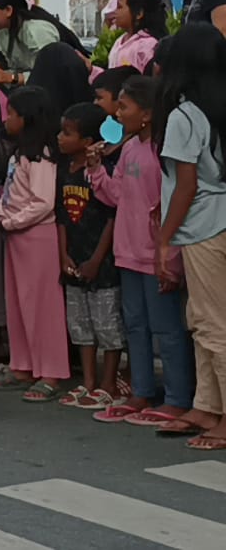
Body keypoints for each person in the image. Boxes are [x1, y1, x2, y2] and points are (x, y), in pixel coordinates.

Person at [88, 75, 197, 427]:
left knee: (166, 328)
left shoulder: (162, 151)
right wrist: (96, 171)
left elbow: (172, 204)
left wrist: (171, 257)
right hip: (127, 250)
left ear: (147, 113)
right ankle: (142, 391)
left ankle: (179, 398)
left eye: (124, 107)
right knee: (135, 324)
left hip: (156, 255)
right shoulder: (130, 148)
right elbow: (118, 195)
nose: (117, 114)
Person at [153, 26, 226, 446]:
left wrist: (164, 239)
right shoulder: (217, 108)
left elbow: (186, 185)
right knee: (203, 318)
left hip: (202, 223)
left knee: (211, 324)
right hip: (218, 218)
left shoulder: (184, 115)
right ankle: (206, 405)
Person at [0, 86, 70, 400]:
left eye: (13, 115)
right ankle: (23, 362)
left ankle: (50, 371)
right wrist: (4, 211)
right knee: (18, 303)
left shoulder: (41, 154)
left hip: (37, 235)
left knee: (42, 306)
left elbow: (43, 201)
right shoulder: (22, 151)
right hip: (18, 232)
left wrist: (11, 219)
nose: (7, 121)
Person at [55, 102, 122, 411]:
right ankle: (89, 381)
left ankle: (109, 382)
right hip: (74, 257)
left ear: (86, 141)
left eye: (67, 133)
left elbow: (111, 217)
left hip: (101, 261)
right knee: (80, 324)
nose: (59, 137)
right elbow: (61, 218)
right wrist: (63, 254)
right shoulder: (63, 170)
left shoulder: (100, 171)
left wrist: (97, 258)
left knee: (107, 324)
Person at [0, 0, 76, 86]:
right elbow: (15, 68)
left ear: (8, 10)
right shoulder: (2, 30)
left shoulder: (37, 31)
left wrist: (11, 77)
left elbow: (50, 73)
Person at [107, 0, 168, 73]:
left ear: (139, 13)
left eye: (120, 7)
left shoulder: (148, 46)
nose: (115, 11)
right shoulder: (119, 42)